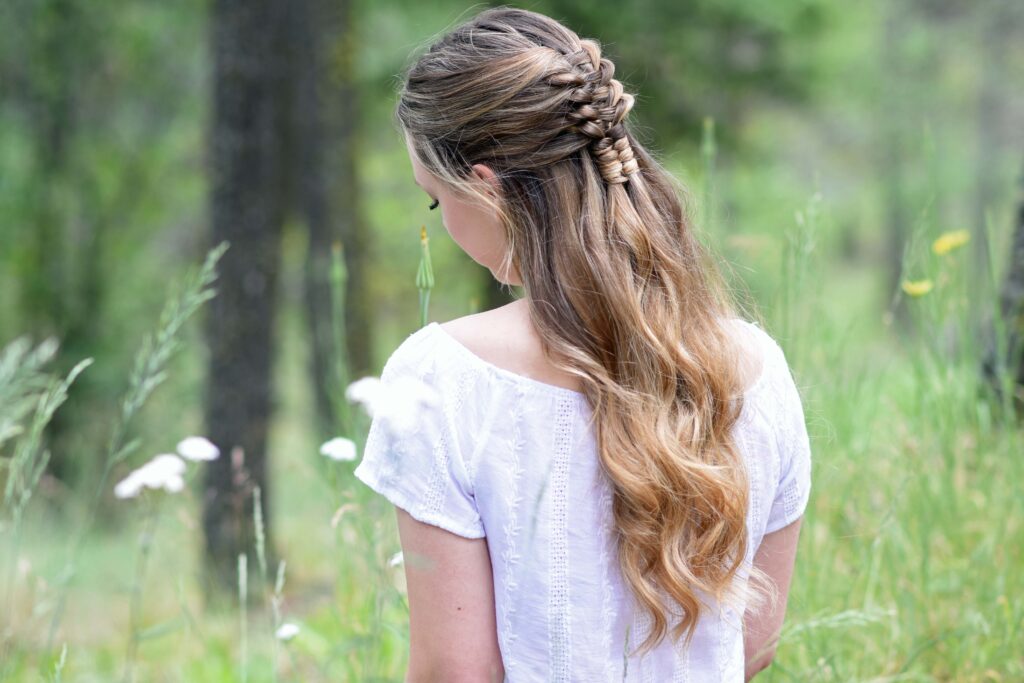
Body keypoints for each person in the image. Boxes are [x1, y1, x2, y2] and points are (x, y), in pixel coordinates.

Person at [353, 6, 812, 681]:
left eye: (434, 200)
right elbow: (751, 647)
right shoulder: (754, 370)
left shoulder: (442, 378)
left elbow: (457, 670)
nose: (441, 222)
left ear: (485, 186)